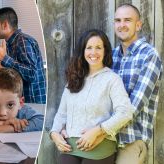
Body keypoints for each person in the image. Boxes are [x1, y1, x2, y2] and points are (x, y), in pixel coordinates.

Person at [50, 29, 134, 164]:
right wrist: (54, 134)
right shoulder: (74, 79)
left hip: (99, 146)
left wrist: (98, 131)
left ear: (105, 51)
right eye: (89, 48)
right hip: (70, 147)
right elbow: (61, 114)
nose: (93, 52)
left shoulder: (112, 79)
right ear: (82, 51)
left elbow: (125, 112)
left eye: (98, 48)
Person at [111, 4, 162, 164]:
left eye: (127, 20)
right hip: (106, 140)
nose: (122, 25)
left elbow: (133, 107)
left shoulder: (149, 56)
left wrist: (100, 130)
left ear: (138, 25)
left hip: (131, 139)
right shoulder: (110, 55)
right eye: (118, 20)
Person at [0, 7, 46, 104]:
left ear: (5, 25)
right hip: (23, 103)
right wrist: (2, 68)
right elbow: (18, 72)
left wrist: (5, 58)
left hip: (33, 103)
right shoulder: (11, 43)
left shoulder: (22, 41)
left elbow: (31, 74)